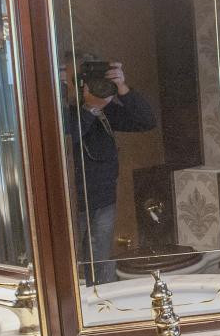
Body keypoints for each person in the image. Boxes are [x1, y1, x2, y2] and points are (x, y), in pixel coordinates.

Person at [65, 57, 156, 286]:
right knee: (69, 266)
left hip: (103, 199)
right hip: (70, 204)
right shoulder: (59, 111)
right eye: (76, 79)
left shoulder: (104, 111)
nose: (84, 85)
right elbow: (66, 138)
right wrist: (90, 108)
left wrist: (123, 89)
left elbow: (146, 121)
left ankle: (103, 303)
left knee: (102, 265)